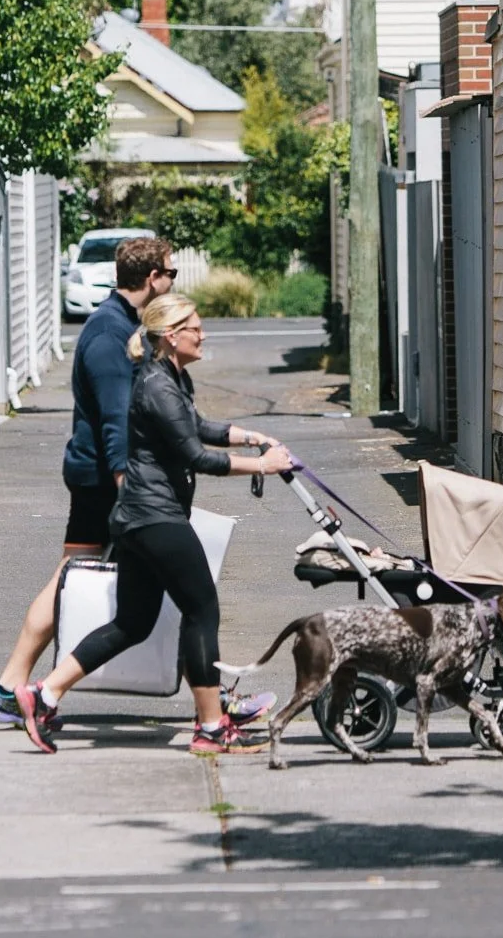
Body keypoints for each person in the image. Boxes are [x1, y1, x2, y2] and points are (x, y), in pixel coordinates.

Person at [15, 292, 294, 756]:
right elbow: (194, 455)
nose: (203, 335)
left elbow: (197, 426)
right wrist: (261, 466)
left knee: (133, 622)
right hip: (155, 517)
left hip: (139, 518)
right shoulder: (158, 385)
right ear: (170, 335)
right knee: (202, 610)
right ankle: (210, 728)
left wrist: (252, 436)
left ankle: (42, 695)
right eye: (195, 328)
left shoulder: (171, 378)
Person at [0, 235, 177, 724]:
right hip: (104, 484)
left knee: (72, 580)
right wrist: (132, 490)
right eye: (171, 273)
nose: (173, 282)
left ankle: (9, 686)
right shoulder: (110, 336)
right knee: (175, 581)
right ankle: (16, 687)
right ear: (151, 278)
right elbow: (115, 421)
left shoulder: (122, 325)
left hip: (100, 480)